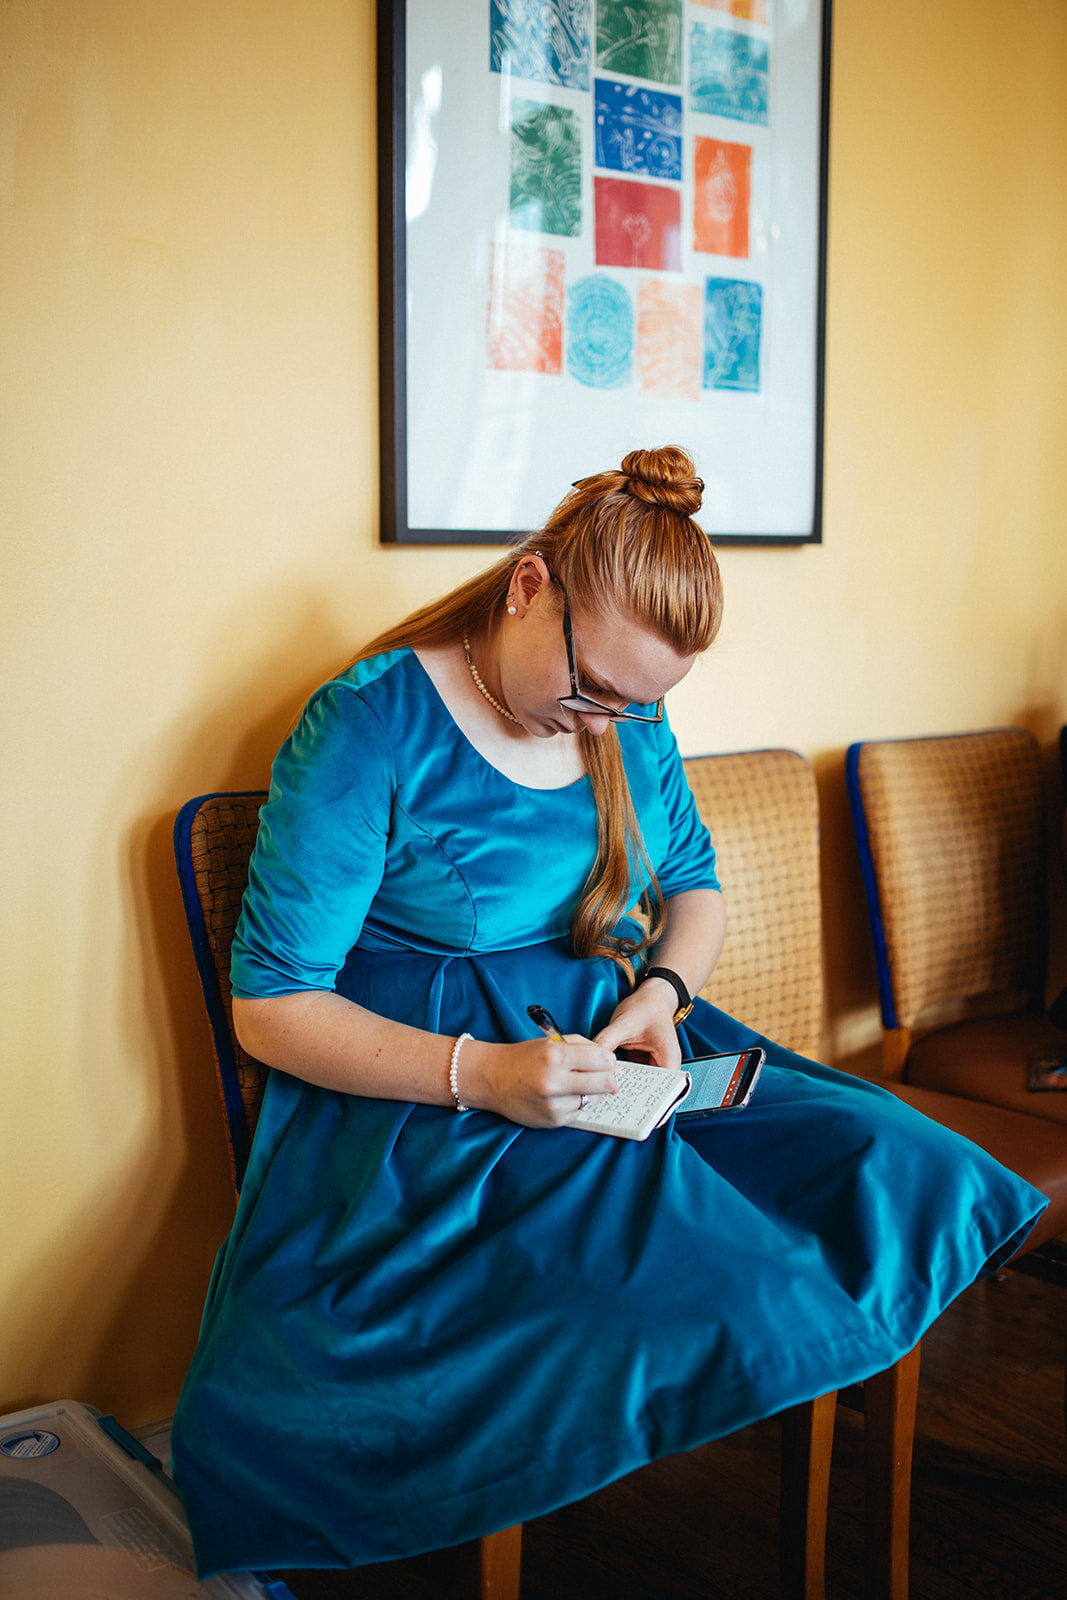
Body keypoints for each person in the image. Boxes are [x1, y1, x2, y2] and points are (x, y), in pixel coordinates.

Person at [171, 446, 1045, 1578]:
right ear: (528, 585)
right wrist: (484, 1074)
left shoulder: (624, 716)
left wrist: (661, 993)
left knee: (899, 1159)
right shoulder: (367, 725)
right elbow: (272, 1007)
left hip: (611, 1035)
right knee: (740, 1281)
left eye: (639, 705)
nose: (606, 727)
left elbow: (695, 888)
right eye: (591, 691)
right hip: (429, 1092)